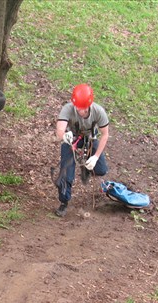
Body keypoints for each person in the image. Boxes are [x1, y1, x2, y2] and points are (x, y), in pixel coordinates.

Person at [54, 84, 109, 217]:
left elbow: (105, 134)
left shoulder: (98, 111)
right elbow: (60, 129)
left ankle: (87, 168)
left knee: (101, 169)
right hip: (71, 139)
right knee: (66, 172)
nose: (80, 111)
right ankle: (64, 202)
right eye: (78, 107)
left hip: (90, 138)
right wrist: (64, 136)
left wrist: (95, 156)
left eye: (83, 109)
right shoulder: (68, 109)